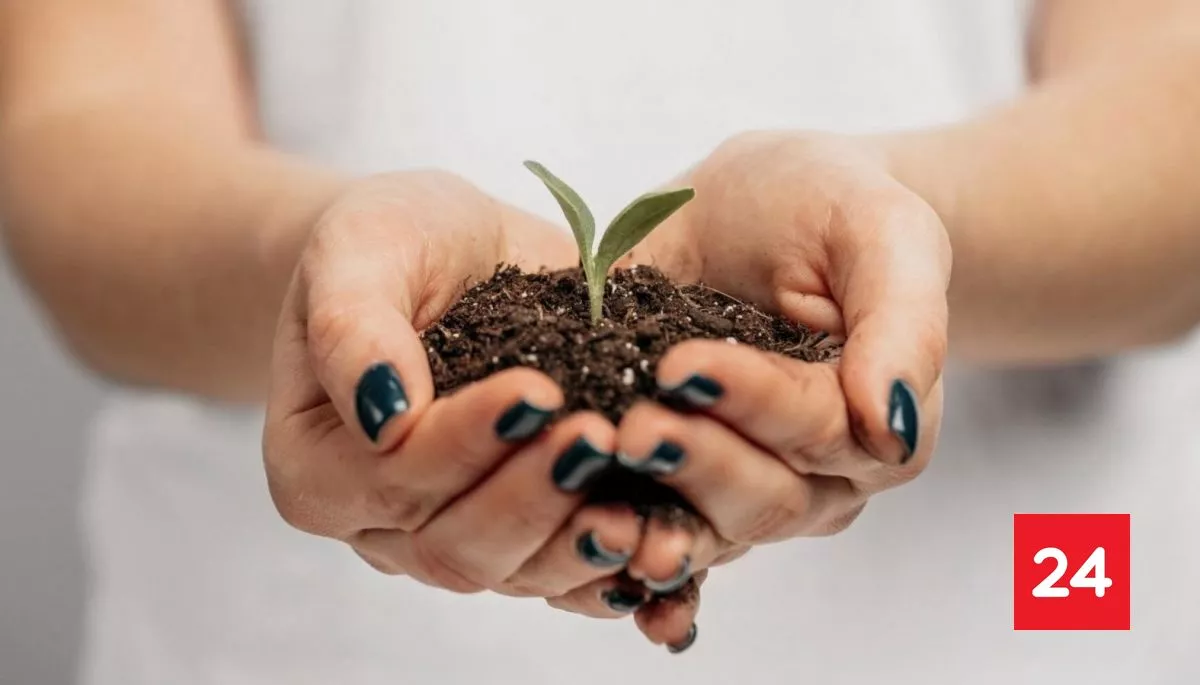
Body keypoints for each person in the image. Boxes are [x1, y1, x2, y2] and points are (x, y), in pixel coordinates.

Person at [1, 0, 1198, 683]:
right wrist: (322, 283)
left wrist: (896, 237)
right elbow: (81, 137)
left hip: (1017, 620)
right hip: (302, 641)